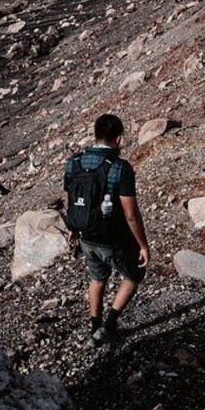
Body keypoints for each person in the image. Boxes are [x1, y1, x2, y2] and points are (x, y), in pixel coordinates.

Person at [63, 114, 150, 347]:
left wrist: (73, 228)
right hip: (112, 238)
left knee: (97, 278)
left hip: (85, 235)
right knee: (133, 275)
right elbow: (131, 213)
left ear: (95, 133)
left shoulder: (74, 162)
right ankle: (109, 326)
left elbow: (71, 198)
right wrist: (142, 245)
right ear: (119, 139)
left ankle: (94, 326)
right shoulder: (121, 168)